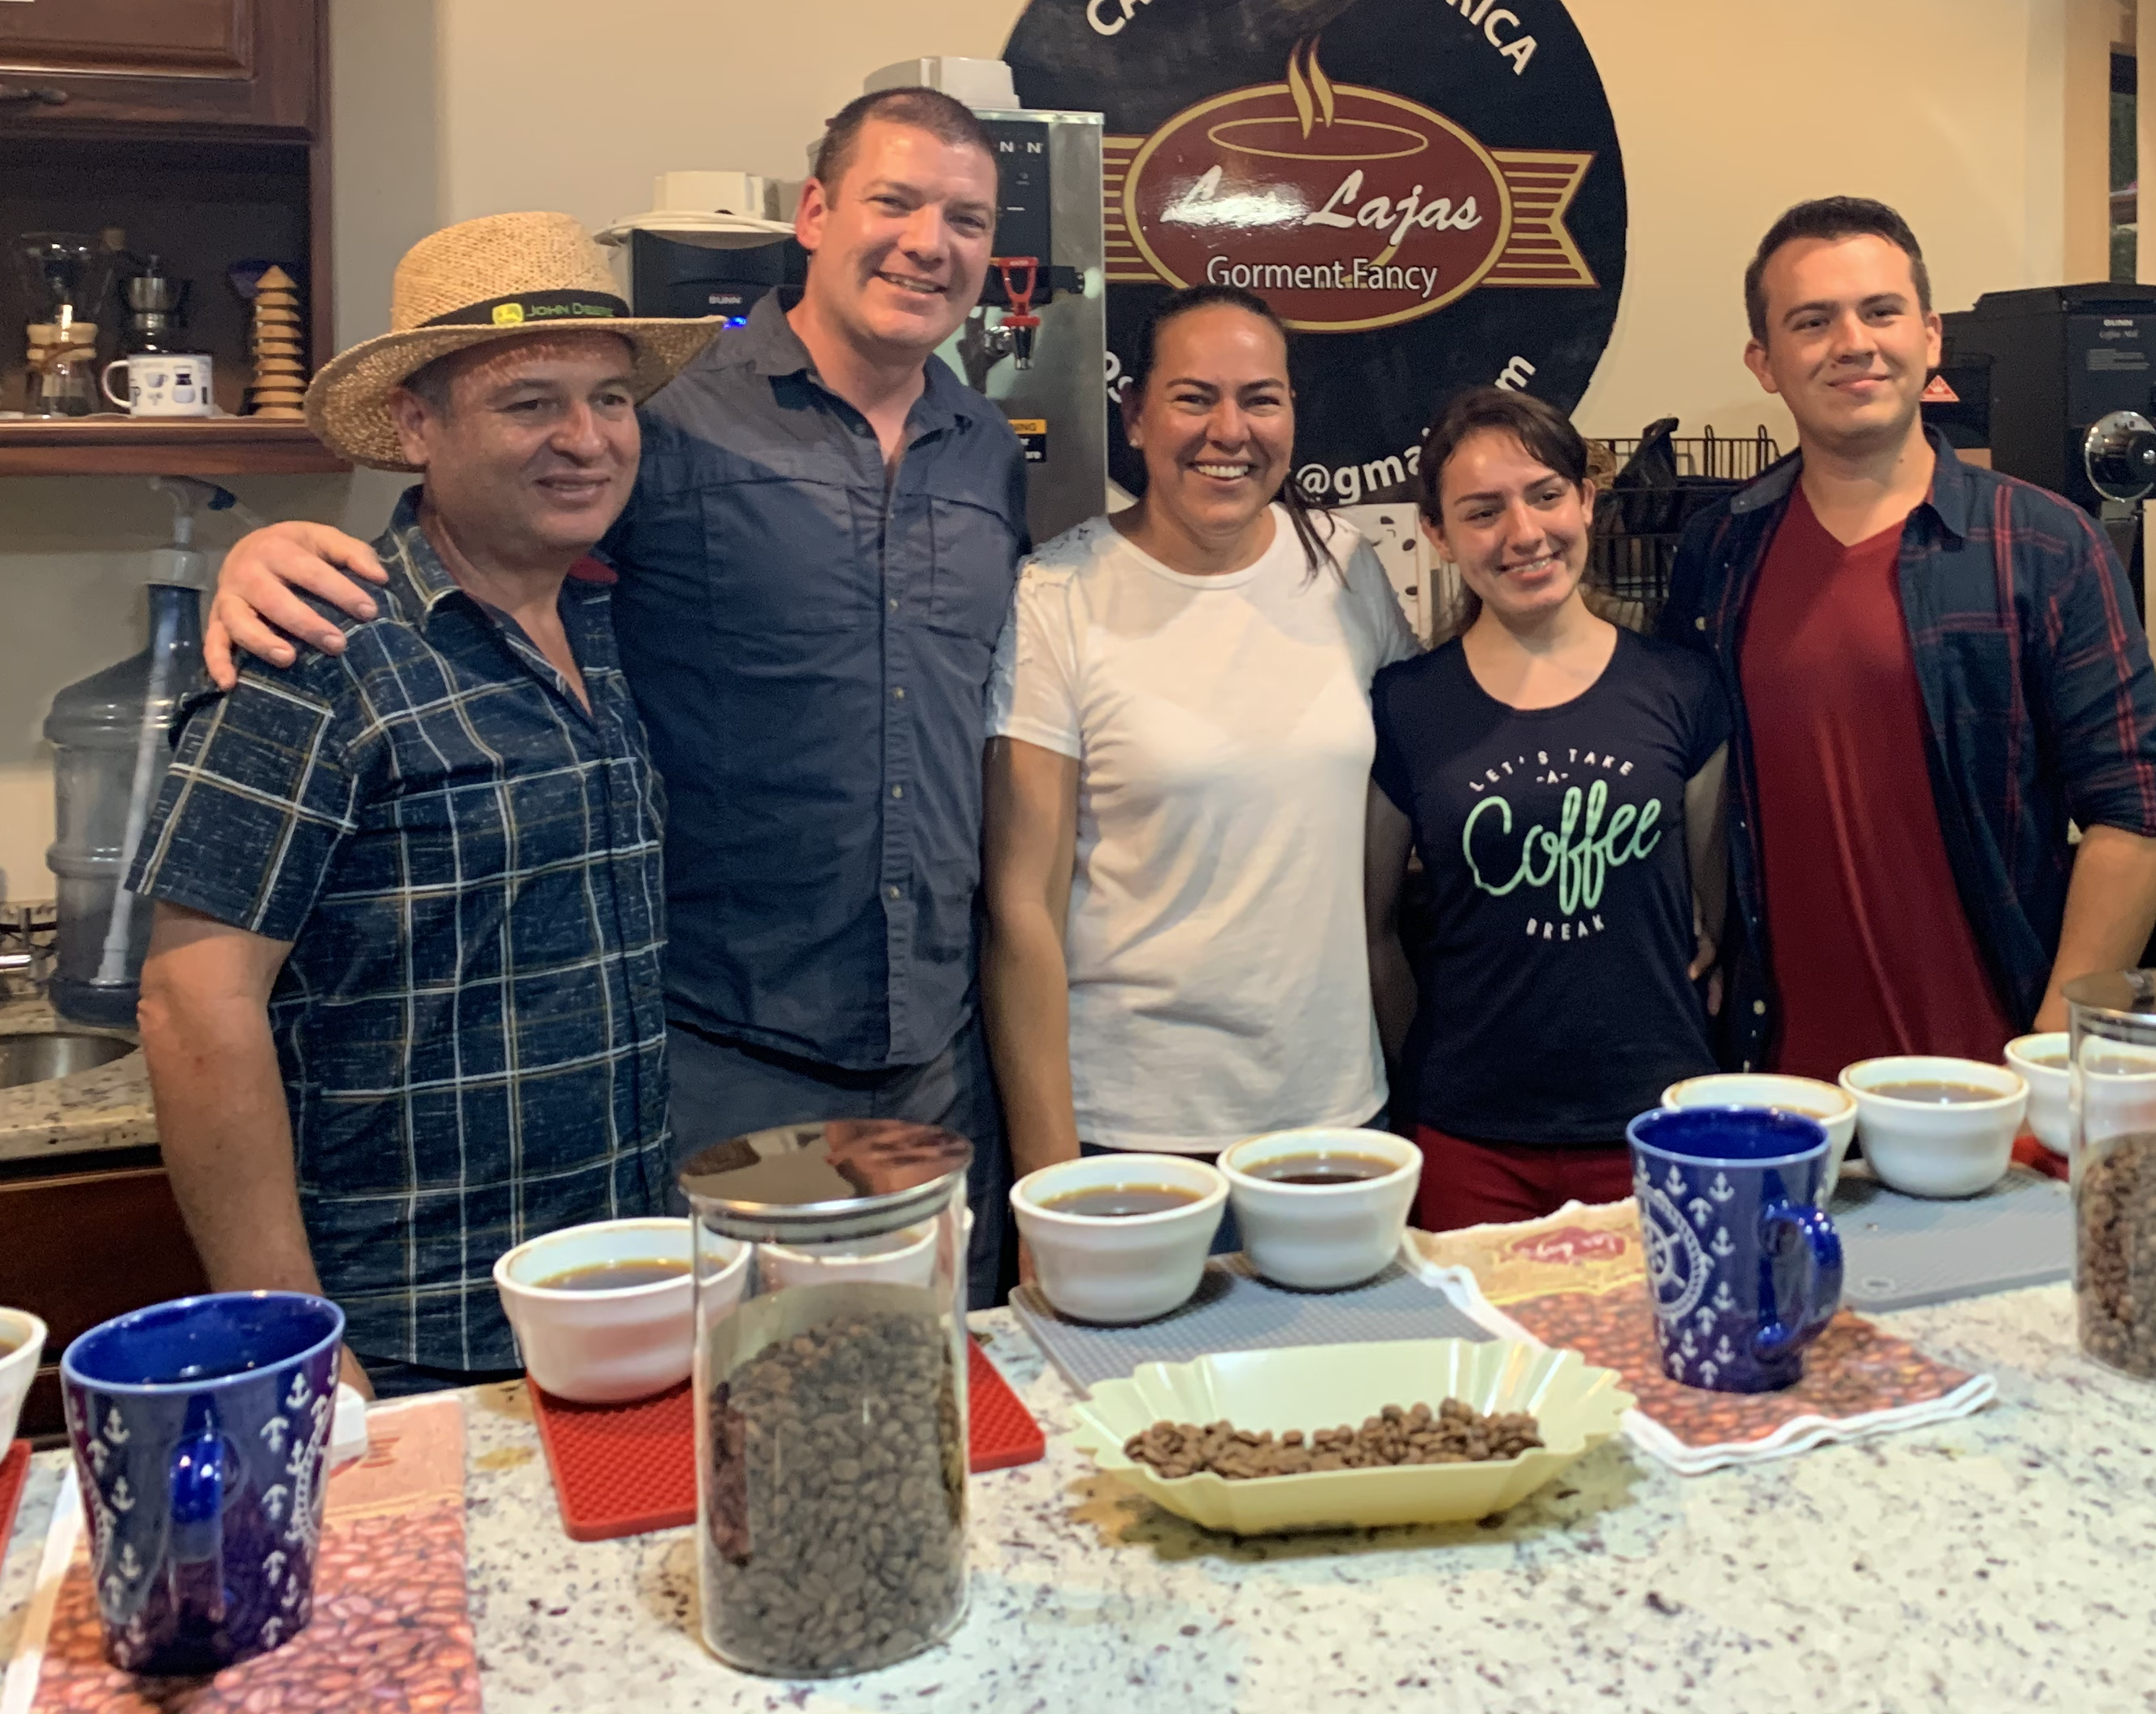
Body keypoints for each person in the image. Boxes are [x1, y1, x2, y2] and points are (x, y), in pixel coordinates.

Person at [198, 89, 1029, 1297]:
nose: (928, 241)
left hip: (943, 1047)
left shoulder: (990, 448)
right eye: (893, 201)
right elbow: (485, 540)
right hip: (728, 1042)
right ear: (813, 213)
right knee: (747, 1397)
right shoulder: (667, 417)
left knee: (920, 1404)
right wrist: (269, 553)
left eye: (965, 217)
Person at [133, 213, 723, 1395]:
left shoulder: (609, 628)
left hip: (622, 1296)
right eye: (529, 404)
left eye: (611, 400)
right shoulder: (315, 649)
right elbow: (190, 1001)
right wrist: (294, 1334)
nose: (586, 440)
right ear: (416, 423)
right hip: (413, 1333)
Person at [1663, 197, 2156, 1080]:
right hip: (1778, 1083)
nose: (1853, 342)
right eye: (1812, 321)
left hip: (1990, 1074)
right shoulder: (1719, 552)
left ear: (1932, 336)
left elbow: (2133, 813)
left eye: (1881, 311)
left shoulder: (2048, 546)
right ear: (1765, 362)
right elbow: (1678, 776)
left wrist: (2050, 1048)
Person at [981, 286, 1415, 1179]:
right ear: (1136, 416)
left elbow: (1416, 788)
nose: (1230, 430)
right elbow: (1021, 910)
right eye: (1193, 397)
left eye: (1261, 398)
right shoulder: (1061, 595)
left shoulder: (1346, 567)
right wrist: (1049, 1179)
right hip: (1132, 1133)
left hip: (1337, 1120)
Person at [1366, 389, 1729, 1231]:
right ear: (1438, 535)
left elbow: (1714, 916)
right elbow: (1374, 929)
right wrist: (1419, 1069)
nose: (1524, 534)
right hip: (1468, 1134)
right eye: (1482, 512)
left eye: (1545, 495)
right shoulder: (1407, 706)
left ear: (1587, 502)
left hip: (1658, 1118)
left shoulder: (1680, 687)